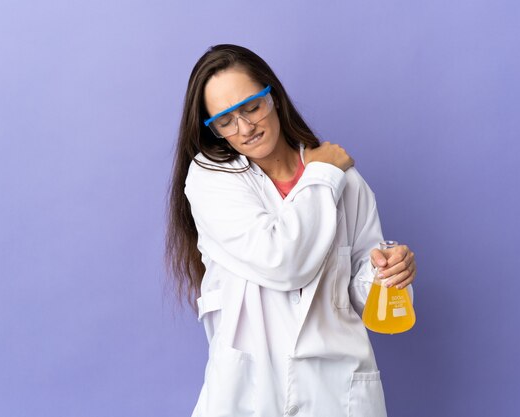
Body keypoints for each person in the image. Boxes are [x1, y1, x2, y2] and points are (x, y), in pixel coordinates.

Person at [166, 44, 417, 417]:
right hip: (250, 392)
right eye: (225, 120)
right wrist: (322, 174)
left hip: (338, 387)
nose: (245, 127)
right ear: (214, 130)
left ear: (274, 98)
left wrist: (390, 271)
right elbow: (284, 262)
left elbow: (364, 291)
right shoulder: (211, 178)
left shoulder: (348, 180)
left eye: (252, 106)